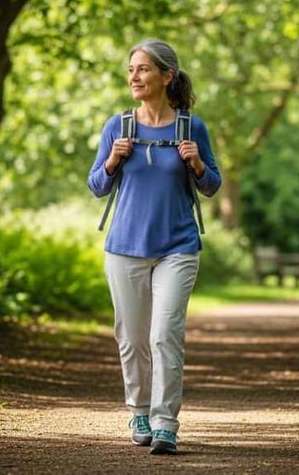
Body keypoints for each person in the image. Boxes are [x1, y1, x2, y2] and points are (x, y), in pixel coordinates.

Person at [87, 39, 222, 455]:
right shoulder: (119, 125)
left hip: (177, 247)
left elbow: (212, 185)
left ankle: (165, 423)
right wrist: (112, 160)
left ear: (167, 76)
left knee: (165, 333)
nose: (134, 77)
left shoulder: (191, 127)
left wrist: (198, 164)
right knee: (131, 337)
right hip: (125, 246)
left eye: (143, 69)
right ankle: (139, 410)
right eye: (131, 69)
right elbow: (96, 185)